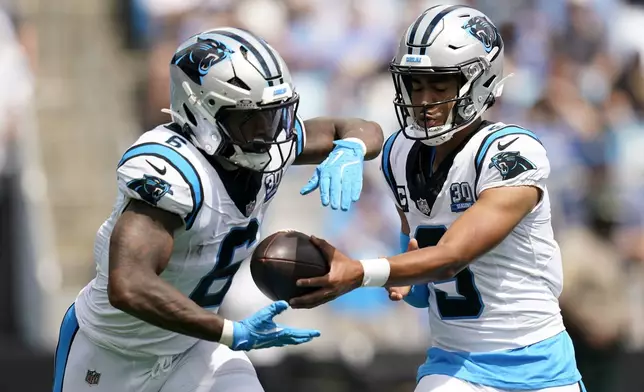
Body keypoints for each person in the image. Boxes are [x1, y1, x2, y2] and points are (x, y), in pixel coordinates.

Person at [52, 27, 383, 392]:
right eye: (253, 118)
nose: (271, 132)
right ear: (203, 111)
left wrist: (350, 147)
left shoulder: (265, 146)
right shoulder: (173, 171)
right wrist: (231, 331)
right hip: (112, 353)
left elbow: (360, 128)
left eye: (275, 115)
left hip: (195, 347)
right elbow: (128, 284)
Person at [289, 5, 585, 392]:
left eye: (439, 85)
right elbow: (422, 271)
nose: (424, 99)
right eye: (414, 84)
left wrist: (363, 272)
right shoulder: (399, 155)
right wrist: (405, 280)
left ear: (480, 82)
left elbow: (451, 258)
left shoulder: (511, 152)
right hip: (454, 363)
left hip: (537, 364)